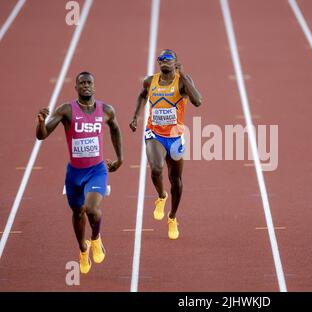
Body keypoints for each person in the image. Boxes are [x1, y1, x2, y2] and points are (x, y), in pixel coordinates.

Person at [36, 72, 123, 274]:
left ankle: (96, 238)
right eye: (82, 83)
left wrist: (120, 158)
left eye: (89, 82)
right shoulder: (66, 110)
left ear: (94, 86)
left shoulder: (106, 110)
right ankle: (83, 249)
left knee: (92, 209)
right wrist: (40, 121)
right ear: (75, 87)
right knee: (78, 212)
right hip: (74, 173)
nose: (86, 86)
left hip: (97, 170)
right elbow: (42, 135)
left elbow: (116, 130)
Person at [130, 49, 202, 240]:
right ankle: (161, 196)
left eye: (168, 58)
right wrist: (136, 117)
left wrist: (184, 74)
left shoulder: (182, 81)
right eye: (160, 59)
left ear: (176, 62)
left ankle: (172, 217)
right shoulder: (150, 81)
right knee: (156, 168)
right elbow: (142, 95)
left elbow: (198, 101)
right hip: (154, 133)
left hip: (176, 137)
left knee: (176, 181)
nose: (163, 61)